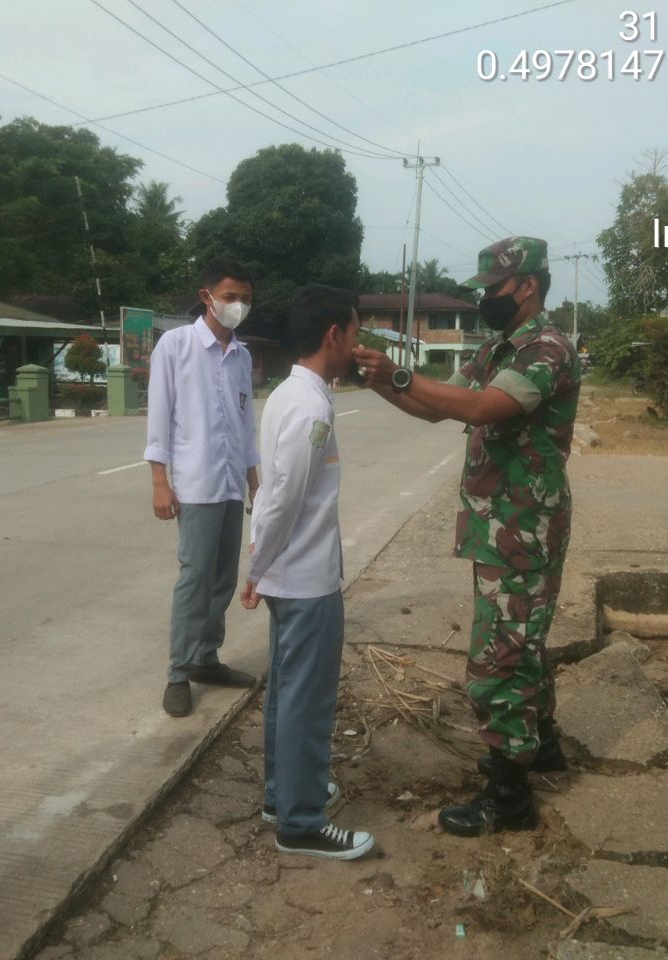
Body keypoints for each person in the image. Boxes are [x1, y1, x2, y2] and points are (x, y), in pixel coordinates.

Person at [351, 237, 580, 837]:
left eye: (493, 290)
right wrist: (380, 378)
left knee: (499, 658)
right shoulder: (503, 347)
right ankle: (542, 747)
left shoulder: (546, 349)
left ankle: (508, 798)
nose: (485, 301)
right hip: (503, 525)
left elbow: (482, 409)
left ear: (527, 285)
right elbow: (436, 407)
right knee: (522, 641)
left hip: (523, 529)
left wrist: (397, 371)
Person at [241, 285, 374, 860]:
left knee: (286, 692)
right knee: (306, 697)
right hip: (303, 578)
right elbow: (281, 498)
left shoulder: (290, 394)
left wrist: (261, 567)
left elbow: (276, 492)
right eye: (355, 331)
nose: (358, 343)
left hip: (290, 573)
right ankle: (299, 820)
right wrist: (257, 567)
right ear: (333, 335)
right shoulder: (312, 407)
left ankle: (283, 794)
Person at [146, 259, 261, 717]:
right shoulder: (175, 346)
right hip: (195, 484)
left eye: (246, 298)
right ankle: (178, 672)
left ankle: (206, 659)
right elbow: (159, 418)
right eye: (231, 296)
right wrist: (160, 481)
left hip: (232, 483)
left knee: (222, 579)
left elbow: (245, 425)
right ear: (207, 296)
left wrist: (257, 487)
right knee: (194, 579)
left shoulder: (243, 354)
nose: (239, 305)